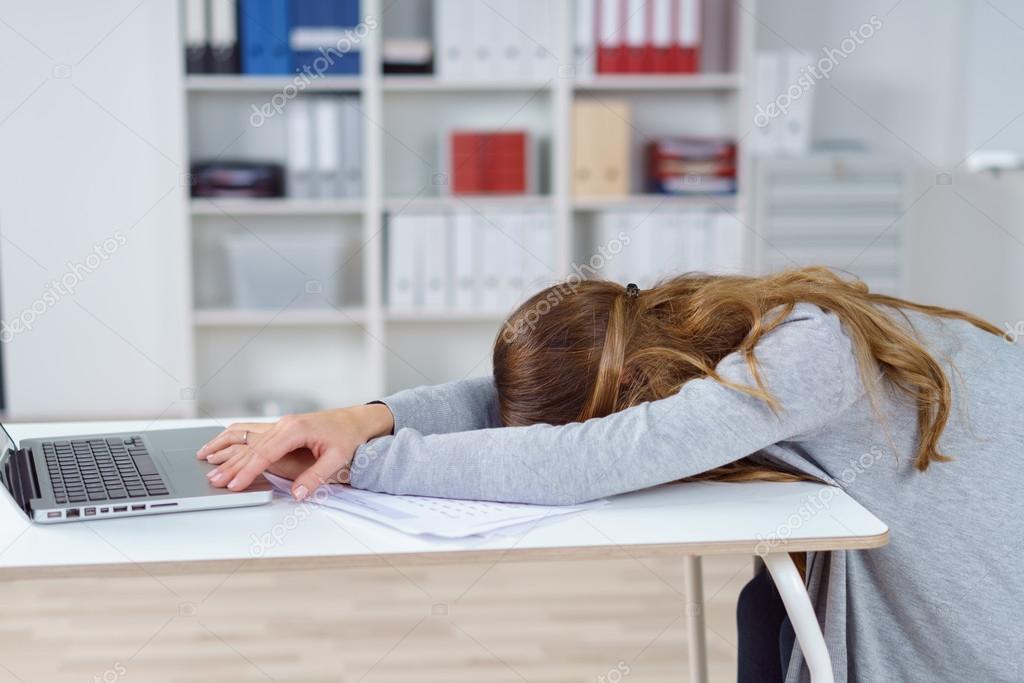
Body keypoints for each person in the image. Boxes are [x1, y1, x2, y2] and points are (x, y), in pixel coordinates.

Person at [197, 267, 1024, 682]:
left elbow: (591, 455)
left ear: (626, 392)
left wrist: (366, 467)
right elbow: (502, 404)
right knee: (766, 600)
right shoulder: (690, 335)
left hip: (982, 633)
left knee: (775, 603)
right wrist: (365, 417)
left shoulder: (806, 354)